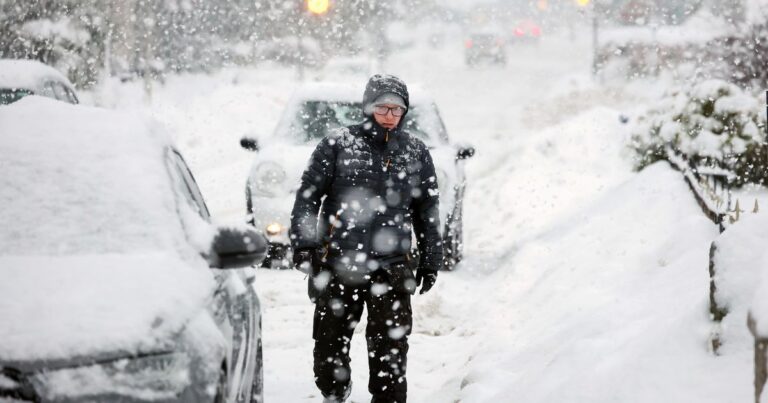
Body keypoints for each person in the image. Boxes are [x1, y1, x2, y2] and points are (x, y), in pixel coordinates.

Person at [290, 74, 443, 403]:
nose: (390, 115)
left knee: (391, 355)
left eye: (397, 109)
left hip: (393, 268)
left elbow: (427, 210)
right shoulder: (337, 144)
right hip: (338, 264)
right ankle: (335, 390)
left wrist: (431, 259)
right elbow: (308, 198)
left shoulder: (415, 152)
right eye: (383, 107)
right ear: (368, 106)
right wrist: (305, 245)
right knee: (328, 352)